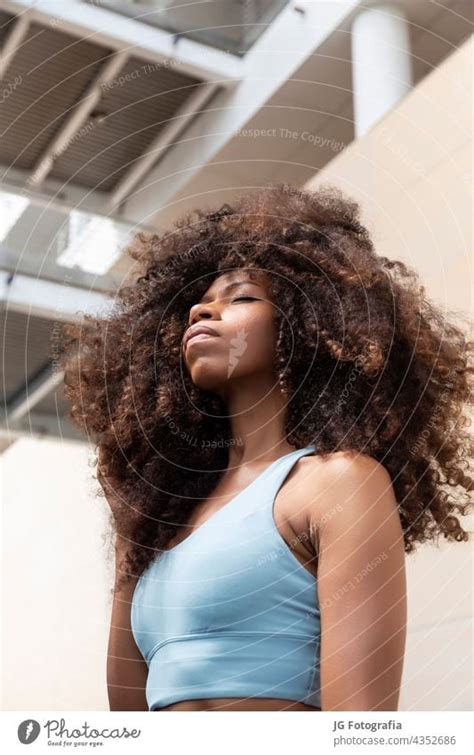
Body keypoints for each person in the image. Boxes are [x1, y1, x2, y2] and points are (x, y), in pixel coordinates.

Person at [59, 183, 472, 712]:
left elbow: (362, 727)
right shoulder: (150, 524)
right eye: (199, 304)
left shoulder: (338, 484)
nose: (201, 313)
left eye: (241, 298)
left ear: (306, 330)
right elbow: (129, 719)